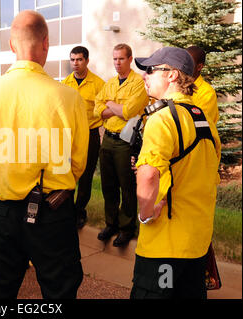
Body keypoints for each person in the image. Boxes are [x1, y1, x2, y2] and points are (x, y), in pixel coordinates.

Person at [0, 10, 89, 299]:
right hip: (52, 210)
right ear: (46, 43)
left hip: (2, 211)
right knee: (60, 290)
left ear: (12, 45)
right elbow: (78, 163)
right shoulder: (69, 96)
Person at [132, 47, 221, 299]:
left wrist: (145, 213)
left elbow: (148, 175)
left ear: (172, 75)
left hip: (164, 248)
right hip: (197, 247)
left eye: (150, 70)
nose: (144, 76)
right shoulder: (204, 119)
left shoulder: (162, 119)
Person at [94, 43, 149, 246]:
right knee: (108, 186)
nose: (117, 63)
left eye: (121, 59)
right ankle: (111, 224)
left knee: (126, 186)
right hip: (107, 139)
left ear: (129, 59)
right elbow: (95, 110)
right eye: (115, 59)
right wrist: (114, 107)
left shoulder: (138, 84)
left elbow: (128, 111)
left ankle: (127, 228)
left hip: (126, 141)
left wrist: (109, 104)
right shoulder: (109, 83)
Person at [62, 46, 105, 229]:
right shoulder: (65, 84)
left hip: (90, 134)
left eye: (79, 60)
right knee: (68, 173)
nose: (75, 63)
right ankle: (66, 211)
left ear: (87, 60)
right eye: (72, 60)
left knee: (86, 176)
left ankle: (79, 211)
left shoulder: (98, 84)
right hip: (69, 135)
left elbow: (103, 110)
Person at [186, 45, 219, 126]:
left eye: (189, 62)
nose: (183, 65)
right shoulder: (176, 85)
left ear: (199, 67)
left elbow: (199, 124)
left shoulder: (207, 93)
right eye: (183, 61)